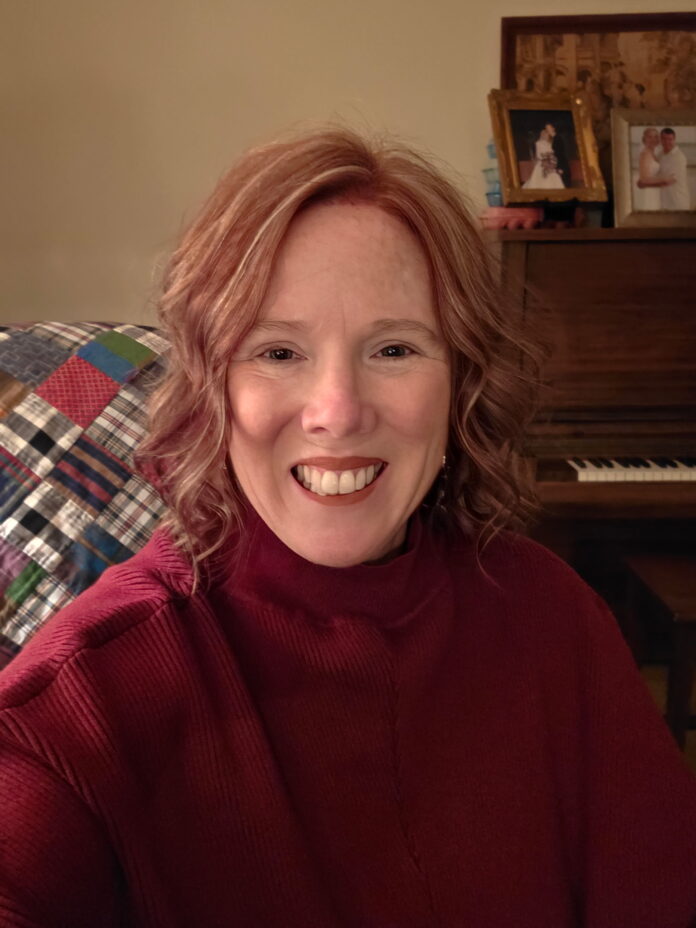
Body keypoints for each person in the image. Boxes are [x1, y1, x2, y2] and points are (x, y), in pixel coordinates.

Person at [1, 127, 695, 927]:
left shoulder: (553, 616)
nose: (337, 412)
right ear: (211, 387)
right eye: (277, 352)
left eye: (394, 349)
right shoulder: (82, 700)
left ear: (462, 381)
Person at [634, 126, 670, 211]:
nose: (653, 139)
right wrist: (663, 180)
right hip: (648, 192)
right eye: (650, 137)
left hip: (654, 190)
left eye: (655, 137)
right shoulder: (645, 154)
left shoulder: (653, 153)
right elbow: (643, 179)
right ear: (644, 139)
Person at [658, 127, 690, 210]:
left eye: (670, 139)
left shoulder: (679, 157)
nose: (667, 142)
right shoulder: (660, 155)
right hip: (665, 201)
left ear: (674, 140)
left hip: (678, 202)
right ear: (660, 140)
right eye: (664, 139)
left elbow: (669, 180)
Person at [545, 121, 570, 187]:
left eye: (549, 128)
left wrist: (560, 167)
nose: (548, 130)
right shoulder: (552, 139)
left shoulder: (558, 138)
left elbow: (560, 154)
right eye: (546, 129)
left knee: (564, 185)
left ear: (553, 128)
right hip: (556, 164)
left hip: (561, 164)